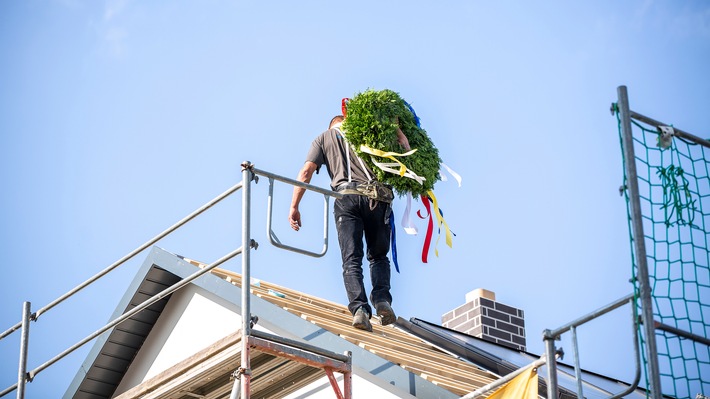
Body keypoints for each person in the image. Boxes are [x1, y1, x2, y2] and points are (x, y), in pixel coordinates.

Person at [289, 115, 410, 331]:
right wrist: (399, 131)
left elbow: (306, 172)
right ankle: (382, 300)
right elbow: (401, 148)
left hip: (347, 199)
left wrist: (294, 206)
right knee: (379, 256)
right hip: (378, 198)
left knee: (351, 259)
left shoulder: (323, 138)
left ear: (332, 125)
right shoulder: (367, 131)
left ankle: (360, 310)